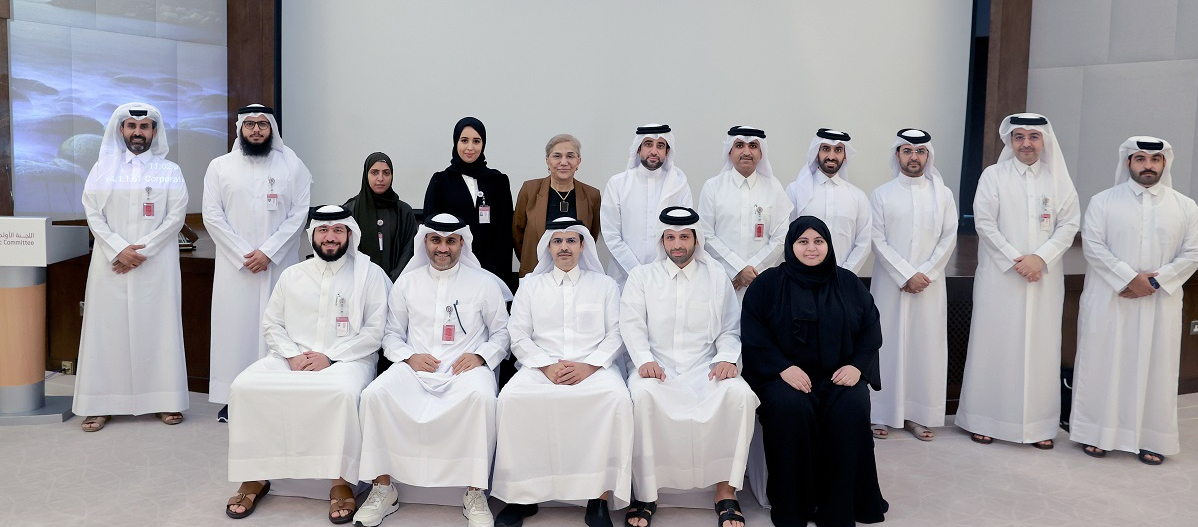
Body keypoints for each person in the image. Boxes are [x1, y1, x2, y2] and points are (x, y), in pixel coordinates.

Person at [224, 205, 390, 523]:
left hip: (349, 358)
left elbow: (376, 330)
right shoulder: (293, 275)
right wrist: (292, 355)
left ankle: (340, 481)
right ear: (313, 235)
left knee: (341, 392)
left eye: (338, 231)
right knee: (244, 387)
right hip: (290, 356)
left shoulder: (370, 275)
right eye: (323, 231)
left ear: (350, 235)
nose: (330, 237)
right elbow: (272, 324)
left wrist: (331, 356)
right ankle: (254, 475)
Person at [354, 214, 512, 527]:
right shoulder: (408, 282)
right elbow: (391, 332)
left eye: (450, 240)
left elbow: (502, 333)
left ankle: (475, 492)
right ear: (425, 241)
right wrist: (408, 356)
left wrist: (480, 356)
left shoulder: (484, 283)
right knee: (375, 395)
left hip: (464, 369)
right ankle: (383, 488)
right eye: (435, 239)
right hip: (416, 367)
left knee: (482, 399)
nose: (442, 247)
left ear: (461, 243)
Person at [741, 216, 888, 527]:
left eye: (818, 241)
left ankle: (839, 507)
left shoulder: (848, 282)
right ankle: (795, 507)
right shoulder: (768, 284)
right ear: (790, 246)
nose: (811, 248)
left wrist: (857, 366)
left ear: (828, 245)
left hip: (839, 376)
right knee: (789, 409)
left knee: (852, 407)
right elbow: (754, 334)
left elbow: (871, 329)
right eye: (803, 242)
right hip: (784, 377)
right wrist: (782, 368)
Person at [620, 206, 759, 527]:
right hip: (658, 368)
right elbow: (631, 324)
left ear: (697, 240)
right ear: (662, 241)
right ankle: (647, 492)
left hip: (704, 368)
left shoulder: (716, 277)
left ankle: (725, 491)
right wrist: (644, 360)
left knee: (739, 394)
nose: (677, 244)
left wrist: (726, 358)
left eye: (684, 236)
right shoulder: (642, 277)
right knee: (641, 397)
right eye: (670, 237)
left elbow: (729, 328)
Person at [492, 217, 630, 527]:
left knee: (616, 400)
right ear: (548, 247)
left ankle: (598, 498)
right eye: (558, 241)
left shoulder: (605, 285)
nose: (564, 247)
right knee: (511, 398)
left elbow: (617, 332)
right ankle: (520, 497)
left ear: (583, 246)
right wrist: (546, 365)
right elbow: (518, 334)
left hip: (594, 368)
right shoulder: (529, 285)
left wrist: (590, 365)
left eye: (571, 241)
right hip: (541, 367)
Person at [1069, 137, 1198, 465]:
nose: (1148, 165)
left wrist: (1153, 282)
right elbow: (1093, 246)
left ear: (1164, 163)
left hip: (1159, 303)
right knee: (1104, 363)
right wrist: (1129, 278)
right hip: (1109, 299)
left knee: (1156, 368)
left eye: (1155, 159)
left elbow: (1193, 253)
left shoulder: (1185, 206)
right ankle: (1097, 433)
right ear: (1128, 163)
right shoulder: (1103, 201)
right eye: (1140, 158)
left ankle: (1152, 438)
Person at [956, 113, 1080, 449]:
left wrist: (1039, 259)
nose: (1026, 143)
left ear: (1044, 141)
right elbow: (984, 223)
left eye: (1033, 137)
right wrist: (1018, 260)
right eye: (1019, 137)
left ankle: (1038, 427)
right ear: (1010, 142)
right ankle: (983, 420)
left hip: (1044, 278)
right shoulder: (993, 176)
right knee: (994, 345)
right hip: (1001, 278)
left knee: (1040, 350)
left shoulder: (1059, 181)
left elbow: (1069, 225)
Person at [74, 102, 188, 432]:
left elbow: (176, 216)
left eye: (145, 126)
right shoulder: (102, 168)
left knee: (159, 328)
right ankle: (99, 403)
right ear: (120, 130)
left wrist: (142, 252)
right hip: (111, 262)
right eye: (131, 126)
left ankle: (164, 400)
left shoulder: (170, 171)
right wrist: (118, 249)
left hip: (157, 263)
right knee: (106, 330)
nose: (138, 132)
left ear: (155, 132)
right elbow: (92, 213)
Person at [202, 104, 313, 421]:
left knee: (280, 329)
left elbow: (299, 214)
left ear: (272, 129)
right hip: (235, 270)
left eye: (262, 124)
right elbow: (212, 215)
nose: (255, 130)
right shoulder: (220, 167)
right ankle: (233, 397)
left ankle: (277, 395)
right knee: (234, 331)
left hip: (278, 266)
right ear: (240, 128)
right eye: (249, 124)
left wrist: (269, 252)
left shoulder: (292, 165)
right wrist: (243, 253)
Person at [867, 129, 958, 441]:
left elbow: (949, 238)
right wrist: (905, 274)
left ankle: (918, 416)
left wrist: (925, 274)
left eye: (920, 152)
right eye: (907, 151)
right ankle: (880, 413)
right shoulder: (881, 194)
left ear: (927, 156)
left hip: (929, 287)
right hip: (890, 285)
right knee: (886, 346)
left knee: (925, 348)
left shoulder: (943, 195)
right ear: (898, 155)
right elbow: (876, 239)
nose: (914, 157)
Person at [698, 126, 793, 301]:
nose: (747, 152)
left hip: (762, 281)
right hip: (723, 280)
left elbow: (780, 238)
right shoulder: (712, 187)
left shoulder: (774, 188)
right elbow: (705, 235)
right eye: (740, 145)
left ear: (761, 153)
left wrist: (751, 271)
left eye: (753, 146)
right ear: (729, 151)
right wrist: (738, 270)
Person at [424, 117, 517, 291]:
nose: (470, 147)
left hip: (491, 270)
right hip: (453, 268)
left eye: (476, 141)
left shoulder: (498, 181)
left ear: (483, 144)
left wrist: (493, 271)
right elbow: (433, 230)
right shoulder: (440, 181)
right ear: (455, 142)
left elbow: (504, 233)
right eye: (464, 140)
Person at [602, 124, 693, 286]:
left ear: (667, 152)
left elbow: (683, 232)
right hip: (624, 278)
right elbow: (611, 235)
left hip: (666, 278)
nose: (654, 151)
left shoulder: (679, 185)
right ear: (638, 149)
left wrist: (658, 273)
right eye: (648, 144)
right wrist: (637, 273)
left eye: (660, 146)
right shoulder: (617, 184)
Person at [513, 134, 602, 277]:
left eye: (570, 156)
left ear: (578, 161)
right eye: (557, 156)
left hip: (575, 274)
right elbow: (517, 234)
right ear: (547, 160)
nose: (564, 162)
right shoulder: (529, 190)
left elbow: (590, 236)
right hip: (535, 273)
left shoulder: (592, 195)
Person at [785, 129, 871, 274]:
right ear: (816, 154)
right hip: (803, 278)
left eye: (838, 150)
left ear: (844, 157)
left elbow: (864, 242)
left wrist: (845, 275)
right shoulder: (795, 191)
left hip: (842, 280)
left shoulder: (857, 196)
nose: (831, 156)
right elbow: (787, 235)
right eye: (825, 149)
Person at [343, 151, 418, 281]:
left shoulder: (403, 211)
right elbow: (345, 249)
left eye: (386, 173)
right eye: (374, 172)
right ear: (366, 175)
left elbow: (410, 248)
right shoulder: (350, 210)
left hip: (397, 283)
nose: (380, 178)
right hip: (358, 282)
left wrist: (394, 278)